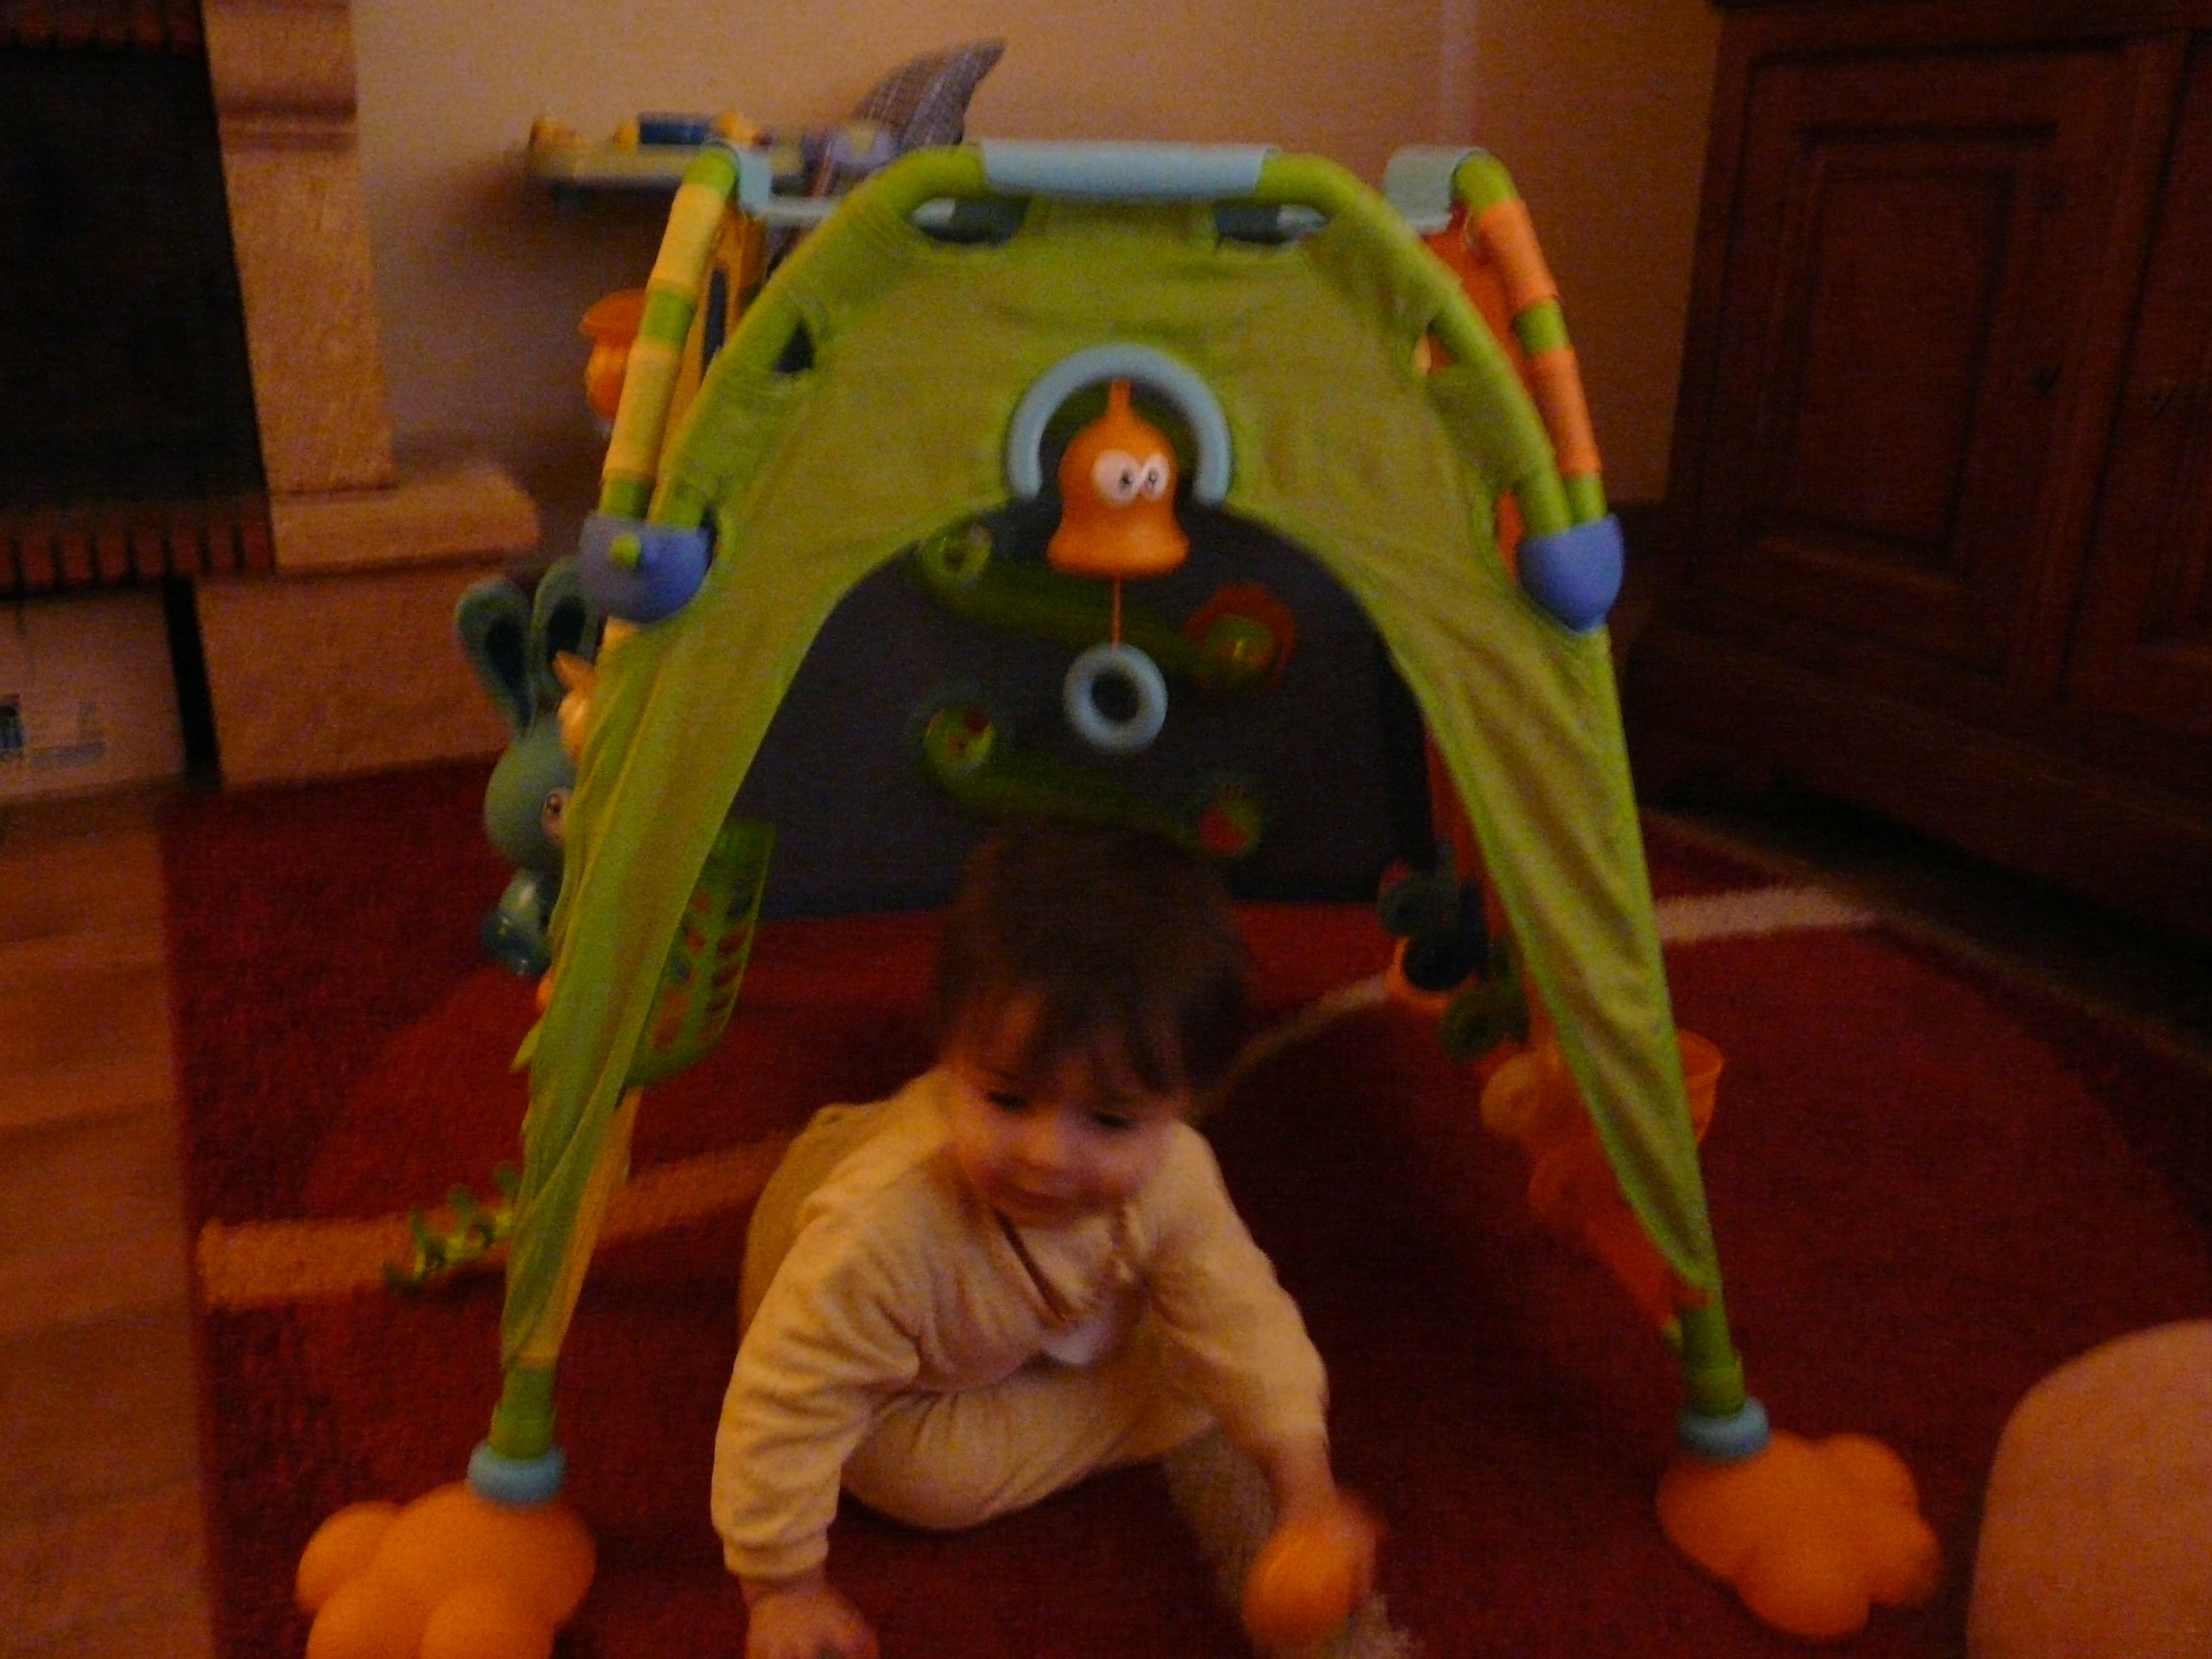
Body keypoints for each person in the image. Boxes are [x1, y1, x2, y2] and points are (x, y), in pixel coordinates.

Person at [712, 816, 1389, 1659]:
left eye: (1110, 1120)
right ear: (949, 1050)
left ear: (1183, 1102)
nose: (1047, 1156)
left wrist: (1309, 1496)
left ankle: (1124, 1363)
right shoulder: (879, 1230)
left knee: (1235, 1344)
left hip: (1005, 1314)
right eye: (1006, 1099)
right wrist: (780, 1585)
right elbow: (787, 1403)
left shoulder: (1175, 1171)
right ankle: (1127, 1380)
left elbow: (1242, 1313)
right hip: (886, 1375)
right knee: (925, 1481)